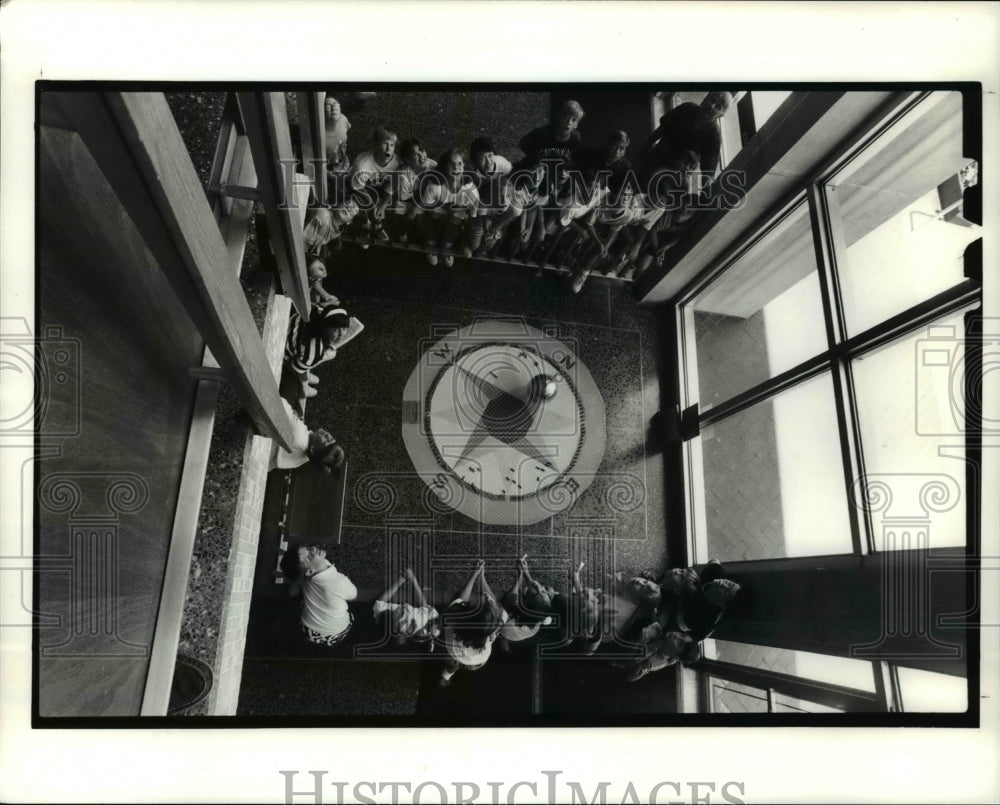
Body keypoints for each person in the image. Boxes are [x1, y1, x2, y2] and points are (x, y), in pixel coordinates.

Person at [639, 91, 733, 191]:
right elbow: (663, 128)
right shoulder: (687, 108)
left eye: (718, 107)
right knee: (640, 183)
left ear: (721, 115)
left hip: (677, 172)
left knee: (658, 195)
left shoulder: (714, 137)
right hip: (659, 154)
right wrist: (647, 145)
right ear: (707, 98)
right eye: (713, 100)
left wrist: (706, 193)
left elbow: (708, 171)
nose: (712, 106)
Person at [439, 560, 507, 686]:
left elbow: (461, 599)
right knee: (458, 663)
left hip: (459, 653)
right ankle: (445, 677)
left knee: (455, 663)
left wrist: (475, 574)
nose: (486, 597)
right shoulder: (493, 630)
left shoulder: (456, 621)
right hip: (477, 662)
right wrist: (479, 576)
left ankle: (446, 676)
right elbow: (497, 610)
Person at [282, 543, 358, 647]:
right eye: (309, 556)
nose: (313, 549)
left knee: (301, 594)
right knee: (349, 614)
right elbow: (354, 595)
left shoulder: (309, 571)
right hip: (334, 635)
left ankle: (294, 585)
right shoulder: (338, 582)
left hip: (306, 627)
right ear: (310, 571)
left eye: (308, 548)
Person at [285, 303, 365, 398]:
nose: (341, 334)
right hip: (285, 356)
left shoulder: (314, 311)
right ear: (325, 327)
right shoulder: (314, 350)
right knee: (329, 354)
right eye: (336, 330)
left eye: (344, 328)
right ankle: (304, 379)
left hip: (288, 330)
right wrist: (303, 370)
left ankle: (306, 366)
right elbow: (293, 369)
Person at [419, 148, 479, 267]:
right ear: (444, 166)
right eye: (451, 163)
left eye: (459, 163)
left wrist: (464, 241)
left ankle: (448, 247)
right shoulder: (435, 186)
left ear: (464, 166)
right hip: (435, 219)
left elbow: (473, 214)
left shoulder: (470, 190)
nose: (456, 167)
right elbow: (425, 210)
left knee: (455, 221)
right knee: (433, 220)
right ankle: (431, 245)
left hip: (455, 222)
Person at [349, 126, 400, 247]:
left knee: (388, 203)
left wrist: (382, 204)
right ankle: (366, 225)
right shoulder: (361, 166)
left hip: (381, 187)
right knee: (363, 204)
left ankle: (378, 226)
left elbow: (392, 184)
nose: (389, 149)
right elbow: (356, 187)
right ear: (375, 145)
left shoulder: (397, 163)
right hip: (360, 188)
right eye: (385, 144)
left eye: (392, 145)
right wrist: (372, 205)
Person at [268, 397, 345, 472]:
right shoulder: (307, 457)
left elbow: (277, 400)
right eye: (331, 439)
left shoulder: (299, 435)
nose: (328, 435)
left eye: (326, 441)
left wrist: (293, 416)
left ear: (313, 449)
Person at [467, 137, 514, 256]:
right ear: (474, 160)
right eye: (483, 158)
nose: (488, 162)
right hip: (481, 203)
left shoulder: (502, 164)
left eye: (490, 155)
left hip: (499, 199)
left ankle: (494, 233)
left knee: (514, 209)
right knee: (474, 245)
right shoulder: (471, 173)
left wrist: (506, 192)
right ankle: (469, 239)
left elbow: (512, 180)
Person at [497, 555, 554, 652]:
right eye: (544, 591)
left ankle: (503, 640)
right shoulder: (538, 615)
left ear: (524, 602)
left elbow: (510, 599)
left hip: (508, 630)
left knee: (500, 597)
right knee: (550, 590)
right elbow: (533, 590)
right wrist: (526, 572)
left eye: (536, 592)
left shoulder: (510, 614)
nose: (539, 586)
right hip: (521, 633)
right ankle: (506, 641)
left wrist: (520, 576)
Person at [373, 567, 440, 650]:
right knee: (434, 628)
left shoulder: (382, 616)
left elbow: (382, 600)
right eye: (402, 635)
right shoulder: (419, 621)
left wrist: (401, 580)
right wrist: (413, 580)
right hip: (427, 620)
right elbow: (424, 605)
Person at [389, 138, 437, 245]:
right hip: (406, 198)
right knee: (405, 218)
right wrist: (413, 211)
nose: (422, 155)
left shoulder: (433, 166)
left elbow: (432, 193)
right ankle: (402, 235)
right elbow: (405, 198)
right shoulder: (403, 175)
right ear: (407, 160)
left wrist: (417, 209)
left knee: (424, 221)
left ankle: (425, 240)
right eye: (416, 154)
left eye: (421, 150)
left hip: (425, 198)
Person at [624, 625, 701, 682]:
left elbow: (630, 676)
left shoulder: (660, 660)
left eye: (679, 643)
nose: (676, 635)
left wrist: (646, 665)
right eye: (682, 635)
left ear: (676, 656)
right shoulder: (666, 628)